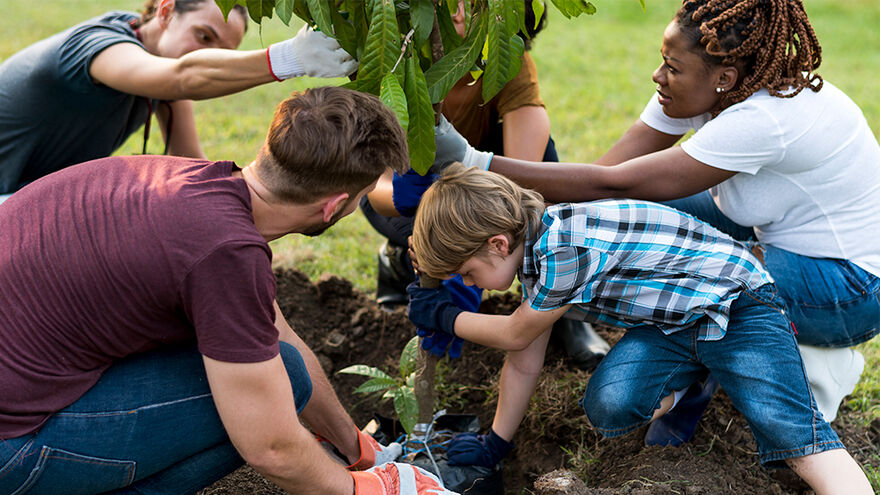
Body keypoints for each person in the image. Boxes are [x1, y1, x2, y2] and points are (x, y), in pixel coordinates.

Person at [432, 0, 880, 427]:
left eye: (672, 68)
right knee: (621, 226)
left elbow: (616, 183)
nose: (658, 75)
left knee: (638, 366)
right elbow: (605, 183)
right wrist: (499, 230)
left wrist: (476, 162)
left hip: (849, 287)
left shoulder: (765, 117)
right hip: (770, 238)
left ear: (724, 76)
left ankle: (800, 353)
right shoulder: (699, 89)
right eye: (663, 60)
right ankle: (721, 337)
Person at [0, 87, 456, 495]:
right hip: (13, 446)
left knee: (277, 372)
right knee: (275, 397)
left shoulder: (194, 183)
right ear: (335, 205)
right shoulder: (225, 253)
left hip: (23, 388)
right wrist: (370, 490)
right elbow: (271, 448)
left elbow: (279, 337)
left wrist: (359, 449)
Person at [406, 163, 872, 495]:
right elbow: (524, 359)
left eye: (467, 274)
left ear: (498, 242)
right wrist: (496, 443)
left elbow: (514, 334)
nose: (469, 285)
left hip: (737, 307)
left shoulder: (564, 247)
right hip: (670, 325)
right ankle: (697, 382)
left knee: (794, 436)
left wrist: (443, 316)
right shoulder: (537, 260)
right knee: (609, 407)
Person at [362, 0, 609, 369]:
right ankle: (401, 261)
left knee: (544, 167)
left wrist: (476, 239)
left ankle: (560, 311)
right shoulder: (392, 62)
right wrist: (402, 196)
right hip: (413, 199)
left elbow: (524, 179)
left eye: (470, 2)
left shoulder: (503, 55)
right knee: (421, 227)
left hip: (488, 194)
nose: (457, 11)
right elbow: (369, 186)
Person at [0, 0, 358, 203]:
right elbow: (184, 76)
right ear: (166, 11)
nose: (212, 57)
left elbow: (191, 164)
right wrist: (290, 58)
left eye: (224, 53)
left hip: (22, 202)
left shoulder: (159, 68)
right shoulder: (101, 47)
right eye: (203, 36)